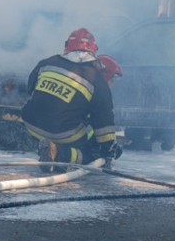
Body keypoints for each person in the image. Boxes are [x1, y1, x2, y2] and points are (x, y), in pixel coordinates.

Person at [21, 28, 122, 172]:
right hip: (62, 133)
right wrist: (107, 151)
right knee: (93, 155)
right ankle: (58, 153)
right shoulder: (97, 80)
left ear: (67, 46)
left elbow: (30, 89)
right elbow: (104, 123)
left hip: (30, 124)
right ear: (93, 51)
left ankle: (49, 148)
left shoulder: (47, 62)